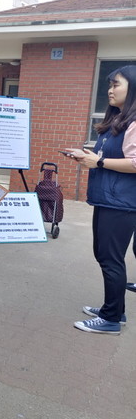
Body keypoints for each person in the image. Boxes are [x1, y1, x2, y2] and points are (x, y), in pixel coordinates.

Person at [69, 65, 136, 335]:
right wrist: (88, 157)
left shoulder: (133, 123)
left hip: (121, 203)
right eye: (109, 84)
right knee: (106, 255)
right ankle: (115, 311)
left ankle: (110, 320)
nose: (110, 90)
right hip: (109, 199)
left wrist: (99, 161)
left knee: (110, 258)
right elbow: (106, 158)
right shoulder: (118, 121)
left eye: (116, 84)